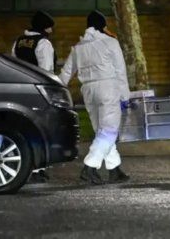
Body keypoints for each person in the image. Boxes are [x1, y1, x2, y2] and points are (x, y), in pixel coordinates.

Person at [59, 11, 130, 185]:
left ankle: (114, 169)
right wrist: (125, 96)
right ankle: (89, 167)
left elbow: (66, 73)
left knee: (102, 131)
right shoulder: (110, 42)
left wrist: (56, 89)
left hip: (88, 91)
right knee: (109, 131)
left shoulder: (78, 47)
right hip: (108, 88)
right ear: (102, 26)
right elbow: (121, 71)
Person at [12, 10, 56, 183]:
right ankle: (38, 169)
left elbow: (14, 64)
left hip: (20, 89)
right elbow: (46, 70)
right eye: (50, 27)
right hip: (38, 91)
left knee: (23, 128)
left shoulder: (19, 41)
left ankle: (26, 166)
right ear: (45, 27)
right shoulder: (43, 43)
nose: (52, 31)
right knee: (41, 129)